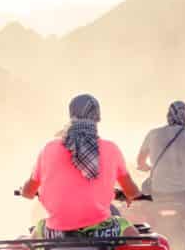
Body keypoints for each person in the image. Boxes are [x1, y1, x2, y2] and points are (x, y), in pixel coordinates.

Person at [21, 94, 142, 238]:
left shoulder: (49, 148)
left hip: (55, 232)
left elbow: (28, 193)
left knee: (35, 237)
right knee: (135, 237)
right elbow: (132, 192)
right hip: (102, 231)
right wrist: (130, 194)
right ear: (98, 118)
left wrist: (26, 190)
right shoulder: (111, 149)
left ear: (71, 115)